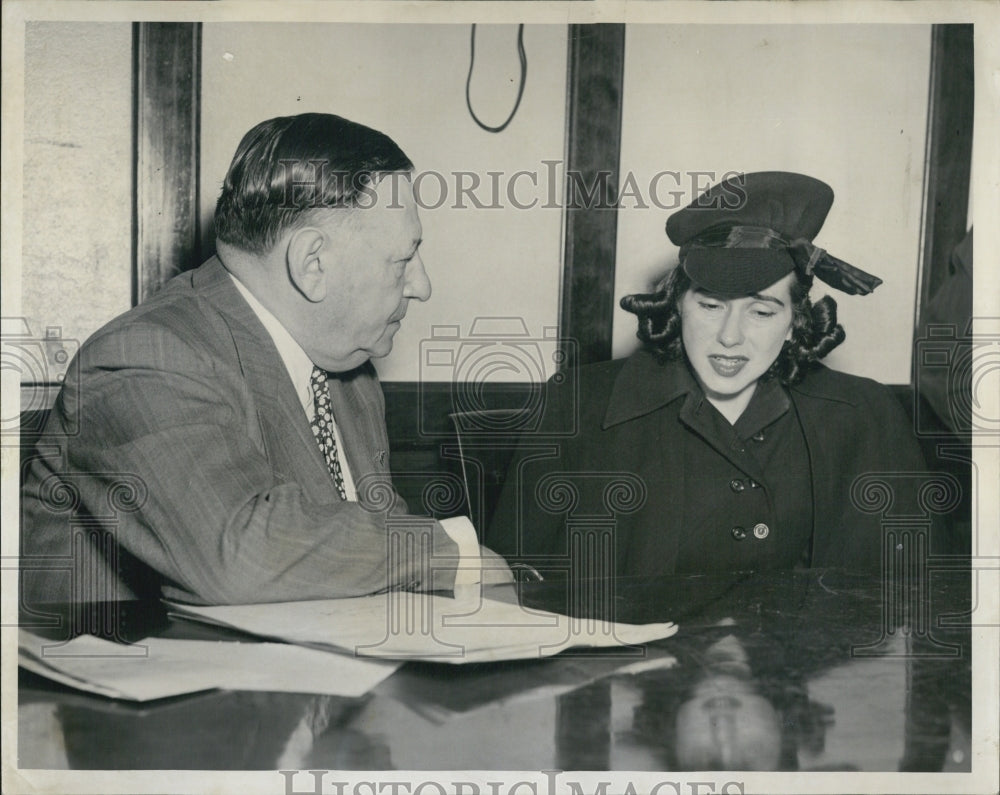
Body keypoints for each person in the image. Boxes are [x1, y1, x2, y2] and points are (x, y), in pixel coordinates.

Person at [21, 112, 510, 606]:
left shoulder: (348, 372)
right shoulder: (144, 357)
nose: (421, 286)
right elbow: (241, 555)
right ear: (311, 263)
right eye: (403, 260)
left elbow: (363, 551)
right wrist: (454, 552)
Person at [488, 171, 948, 576]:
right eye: (710, 305)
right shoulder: (579, 404)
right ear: (678, 306)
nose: (730, 337)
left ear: (795, 323)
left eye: (762, 312)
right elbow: (514, 589)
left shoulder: (864, 415)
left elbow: (912, 593)